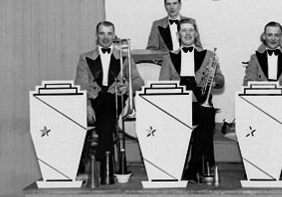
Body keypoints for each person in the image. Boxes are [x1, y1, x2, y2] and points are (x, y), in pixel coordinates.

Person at [75, 21, 144, 176]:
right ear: (96, 36)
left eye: (109, 33)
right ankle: (99, 166)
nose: (105, 37)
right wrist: (87, 105)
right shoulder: (85, 58)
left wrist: (128, 87)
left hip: (114, 98)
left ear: (114, 36)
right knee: (97, 120)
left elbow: (139, 81)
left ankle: (99, 160)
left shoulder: (124, 57)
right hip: (92, 99)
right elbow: (81, 85)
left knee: (106, 116)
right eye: (102, 33)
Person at [159, 19, 224, 182]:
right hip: (178, 103)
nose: (187, 34)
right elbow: (163, 83)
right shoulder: (168, 57)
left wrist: (213, 81)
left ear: (195, 34)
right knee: (203, 121)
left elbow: (220, 79)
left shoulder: (209, 55)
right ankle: (202, 166)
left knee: (206, 118)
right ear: (178, 34)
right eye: (184, 30)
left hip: (201, 101)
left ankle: (193, 167)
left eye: (190, 30)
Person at [244, 22, 282, 178]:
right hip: (263, 103)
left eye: (276, 35)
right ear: (264, 36)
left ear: (281, 37)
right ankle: (262, 164)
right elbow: (247, 81)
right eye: (269, 35)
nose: (273, 38)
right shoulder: (255, 58)